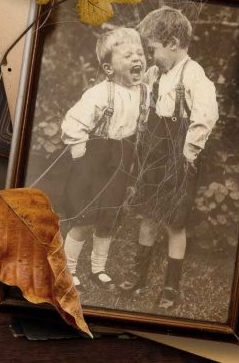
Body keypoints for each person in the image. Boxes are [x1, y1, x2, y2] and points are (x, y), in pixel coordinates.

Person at [119, 6, 219, 310]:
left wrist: (188, 153)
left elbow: (206, 115)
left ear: (173, 43)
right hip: (154, 153)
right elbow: (140, 97)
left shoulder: (193, 74)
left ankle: (171, 286)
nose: (150, 57)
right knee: (148, 214)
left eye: (153, 49)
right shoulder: (154, 74)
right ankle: (139, 275)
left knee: (175, 223)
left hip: (179, 157)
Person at [59, 27, 149, 291]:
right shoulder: (100, 93)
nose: (137, 59)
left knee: (109, 216)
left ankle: (98, 268)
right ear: (109, 69)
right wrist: (79, 151)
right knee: (84, 218)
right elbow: (72, 122)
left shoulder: (144, 91)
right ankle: (68, 268)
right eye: (128, 55)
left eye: (140, 54)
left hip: (122, 157)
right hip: (93, 158)